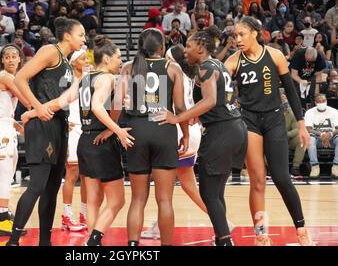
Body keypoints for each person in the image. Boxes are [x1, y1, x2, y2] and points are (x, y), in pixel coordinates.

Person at [224, 16, 315, 246]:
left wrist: (302, 124)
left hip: (275, 118)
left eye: (242, 34)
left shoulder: (274, 55)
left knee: (282, 178)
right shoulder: (233, 62)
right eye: (235, 36)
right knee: (257, 181)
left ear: (255, 33)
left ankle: (302, 229)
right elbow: (217, 87)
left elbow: (292, 93)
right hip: (248, 120)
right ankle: (261, 233)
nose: (237, 39)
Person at [156, 27, 247, 246]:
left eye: (188, 45)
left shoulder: (205, 67)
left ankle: (225, 241)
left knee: (208, 193)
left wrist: (178, 118)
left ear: (201, 46)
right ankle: (222, 236)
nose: (185, 49)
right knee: (216, 193)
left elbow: (210, 101)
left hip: (221, 132)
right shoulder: (218, 65)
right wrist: (198, 114)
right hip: (235, 128)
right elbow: (216, 101)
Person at [6, 17, 86, 246]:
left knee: (52, 188)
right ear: (67, 35)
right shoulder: (51, 51)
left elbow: (61, 98)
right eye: (80, 34)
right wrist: (36, 107)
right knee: (38, 185)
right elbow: (20, 78)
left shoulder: (69, 63)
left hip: (59, 124)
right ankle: (13, 240)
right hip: (42, 126)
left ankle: (45, 241)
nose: (84, 39)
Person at [46, 35, 131, 246]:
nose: (121, 61)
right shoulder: (107, 78)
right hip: (101, 144)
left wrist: (34, 112)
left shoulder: (84, 79)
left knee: (93, 201)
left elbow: (61, 101)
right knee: (117, 201)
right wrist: (117, 130)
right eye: (118, 57)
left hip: (85, 141)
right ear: (107, 59)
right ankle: (94, 240)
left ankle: (92, 244)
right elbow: (96, 106)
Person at [115, 28, 189, 246]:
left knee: (137, 199)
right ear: (162, 47)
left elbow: (116, 105)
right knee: (165, 199)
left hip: (136, 130)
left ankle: (133, 246)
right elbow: (179, 106)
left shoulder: (128, 67)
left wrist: (116, 129)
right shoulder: (173, 67)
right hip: (163, 129)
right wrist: (184, 134)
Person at [0, 44, 31, 236]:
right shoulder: (6, 77)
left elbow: (5, 110)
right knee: (4, 175)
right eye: (7, 57)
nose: (10, 59)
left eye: (14, 56)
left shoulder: (3, 76)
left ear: (19, 59)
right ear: (2, 60)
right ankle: (3, 220)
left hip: (0, 125)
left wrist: (17, 126)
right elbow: (27, 100)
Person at [60, 47, 90, 232]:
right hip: (72, 128)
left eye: (88, 58)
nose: (87, 61)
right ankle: (66, 216)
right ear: (73, 62)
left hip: (86, 128)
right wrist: (63, 121)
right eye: (83, 59)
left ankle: (85, 214)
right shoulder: (65, 79)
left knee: (87, 176)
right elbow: (57, 102)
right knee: (72, 174)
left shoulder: (89, 80)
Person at [304, 94, 338, 179]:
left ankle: (336, 166)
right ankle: (314, 166)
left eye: (323, 101)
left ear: (326, 101)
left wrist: (329, 134)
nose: (321, 103)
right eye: (319, 101)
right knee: (310, 138)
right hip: (317, 139)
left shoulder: (334, 111)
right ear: (315, 103)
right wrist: (321, 134)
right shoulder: (310, 112)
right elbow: (308, 129)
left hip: (331, 138)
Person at [280, 92, 306, 177]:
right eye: (281, 99)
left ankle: (295, 167)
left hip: (287, 138)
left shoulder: (292, 112)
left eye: (284, 99)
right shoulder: (269, 112)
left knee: (302, 139)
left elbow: (297, 128)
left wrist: (287, 134)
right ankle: (268, 167)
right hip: (273, 138)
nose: (283, 101)